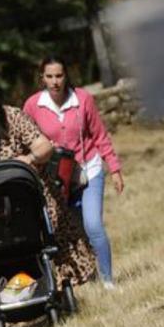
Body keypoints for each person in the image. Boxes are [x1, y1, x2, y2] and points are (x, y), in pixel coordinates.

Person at [0, 82, 97, 302]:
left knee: (51, 226)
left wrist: (30, 158)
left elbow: (44, 146)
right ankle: (14, 288)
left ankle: (63, 283)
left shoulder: (13, 117)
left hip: (28, 192)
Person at [23, 56, 125, 288]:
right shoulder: (33, 105)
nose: (55, 81)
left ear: (66, 75)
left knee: (93, 226)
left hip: (88, 169)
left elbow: (99, 135)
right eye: (49, 76)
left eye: (59, 75)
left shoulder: (82, 99)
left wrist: (115, 168)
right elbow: (25, 138)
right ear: (42, 78)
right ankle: (88, 276)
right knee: (74, 231)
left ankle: (108, 280)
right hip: (57, 179)